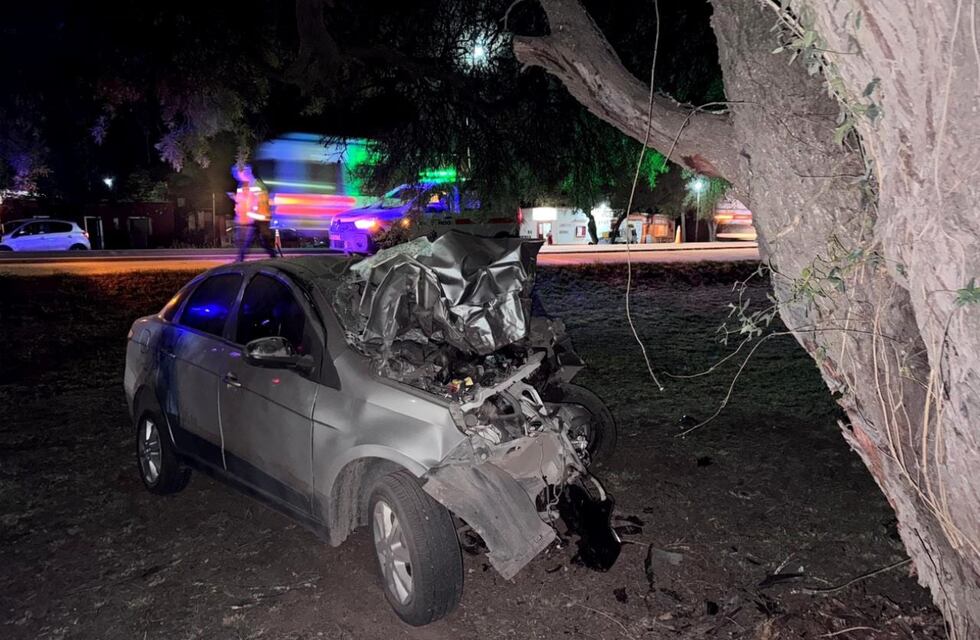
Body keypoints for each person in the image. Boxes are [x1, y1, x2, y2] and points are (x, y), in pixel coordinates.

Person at [233, 165, 276, 261]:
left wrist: (251, 211)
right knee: (248, 240)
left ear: (247, 173)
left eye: (240, 175)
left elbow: (261, 202)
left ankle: (274, 257)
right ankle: (240, 259)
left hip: (261, 218)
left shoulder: (257, 185)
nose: (238, 177)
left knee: (262, 241)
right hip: (254, 218)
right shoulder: (246, 185)